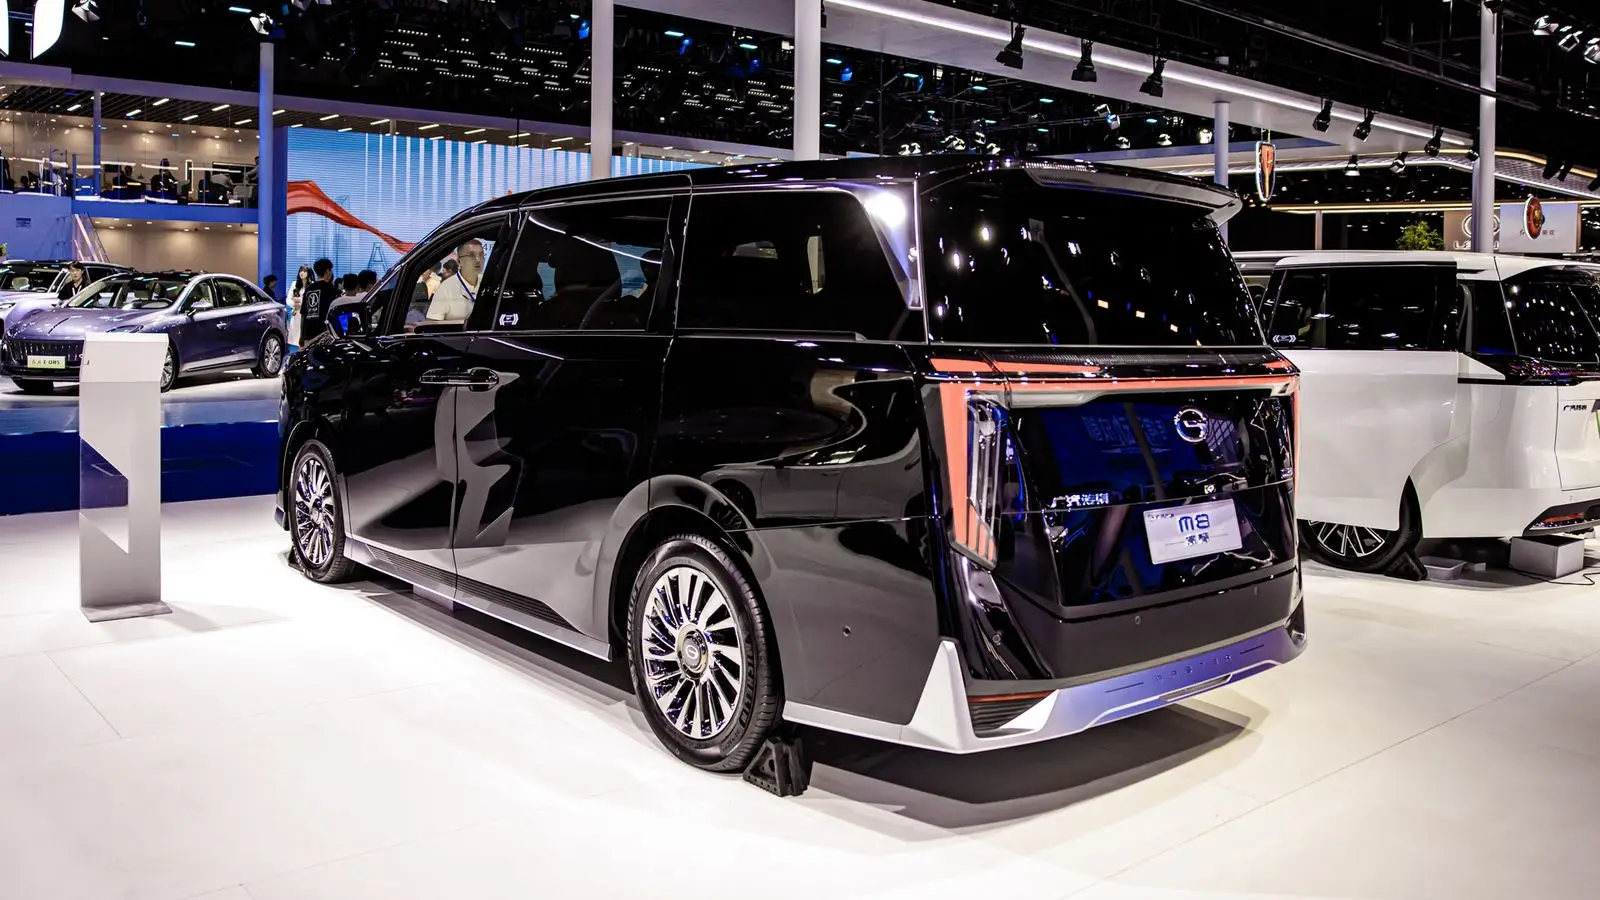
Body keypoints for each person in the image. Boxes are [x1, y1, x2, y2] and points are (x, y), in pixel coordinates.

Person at [425, 239, 484, 324]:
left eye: (481, 255)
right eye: (471, 255)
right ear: (459, 261)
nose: (478, 260)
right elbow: (432, 324)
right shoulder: (446, 288)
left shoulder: (489, 283)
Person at [298, 258, 338, 340]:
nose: (331, 273)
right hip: (325, 333)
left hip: (308, 332)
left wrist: (301, 336)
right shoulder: (331, 289)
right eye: (331, 270)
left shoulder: (309, 289)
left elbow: (303, 314)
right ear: (327, 271)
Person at [286, 265, 312, 349]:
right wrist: (294, 304)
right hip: (296, 313)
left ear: (309, 273)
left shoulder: (312, 285)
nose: (302, 273)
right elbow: (288, 299)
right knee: (296, 340)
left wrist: (302, 304)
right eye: (300, 271)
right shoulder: (295, 284)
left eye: (304, 271)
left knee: (306, 339)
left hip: (307, 314)